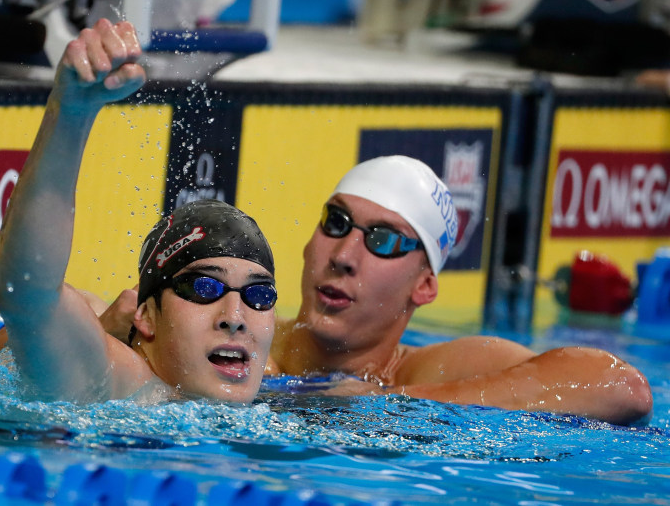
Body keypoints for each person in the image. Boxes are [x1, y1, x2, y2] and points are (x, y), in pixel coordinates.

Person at [0, 19, 277, 404]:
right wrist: (71, 111)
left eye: (259, 295)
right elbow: (27, 292)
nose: (236, 316)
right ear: (146, 315)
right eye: (204, 288)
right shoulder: (116, 385)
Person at [263, 155, 653, 426]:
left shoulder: (431, 371)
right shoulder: (247, 338)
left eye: (383, 240)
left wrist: (391, 403)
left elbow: (622, 388)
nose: (344, 255)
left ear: (424, 286)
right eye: (337, 222)